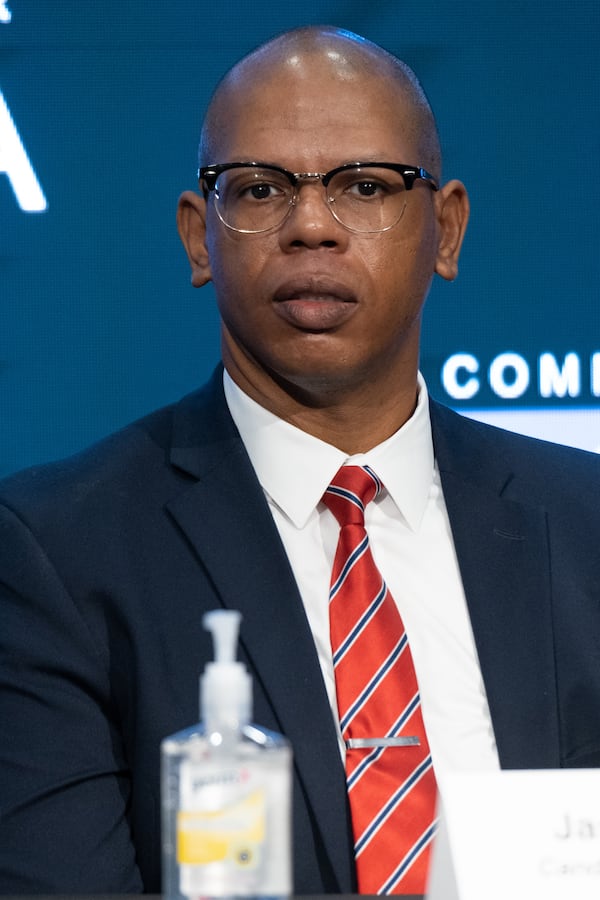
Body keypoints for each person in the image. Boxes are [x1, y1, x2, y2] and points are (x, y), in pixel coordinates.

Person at [1, 24, 600, 896]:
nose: (311, 225)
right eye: (259, 189)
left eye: (365, 185)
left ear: (447, 229)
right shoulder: (57, 555)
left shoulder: (585, 528)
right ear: (200, 238)